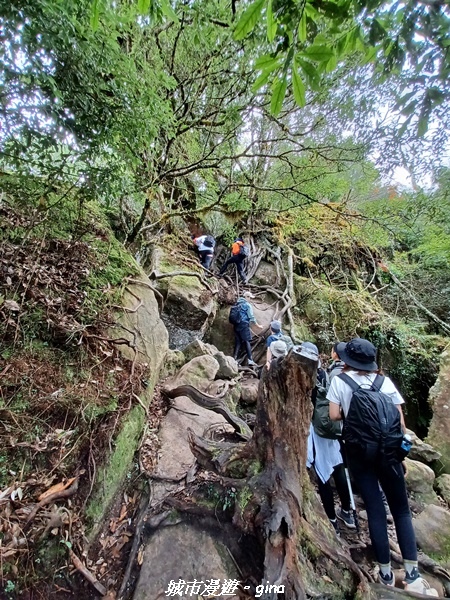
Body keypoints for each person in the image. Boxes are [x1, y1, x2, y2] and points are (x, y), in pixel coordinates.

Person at [328, 338, 438, 596]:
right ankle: (413, 576)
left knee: (376, 509)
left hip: (360, 454)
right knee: (401, 511)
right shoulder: (384, 382)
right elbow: (399, 420)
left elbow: (333, 416)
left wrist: (351, 413)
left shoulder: (340, 381)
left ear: (348, 359)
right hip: (389, 454)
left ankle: (386, 575)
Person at [305, 342, 355, 535]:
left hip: (316, 428)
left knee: (322, 473)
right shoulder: (324, 373)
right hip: (332, 427)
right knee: (337, 466)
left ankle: (332, 520)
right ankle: (346, 511)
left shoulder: (306, 375)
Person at [230, 291, 262, 366]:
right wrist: (258, 326)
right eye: (250, 297)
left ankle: (234, 359)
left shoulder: (237, 303)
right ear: (247, 297)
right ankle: (250, 360)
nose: (251, 299)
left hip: (236, 325)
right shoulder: (247, 305)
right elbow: (251, 317)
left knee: (238, 342)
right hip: (244, 325)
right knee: (247, 341)